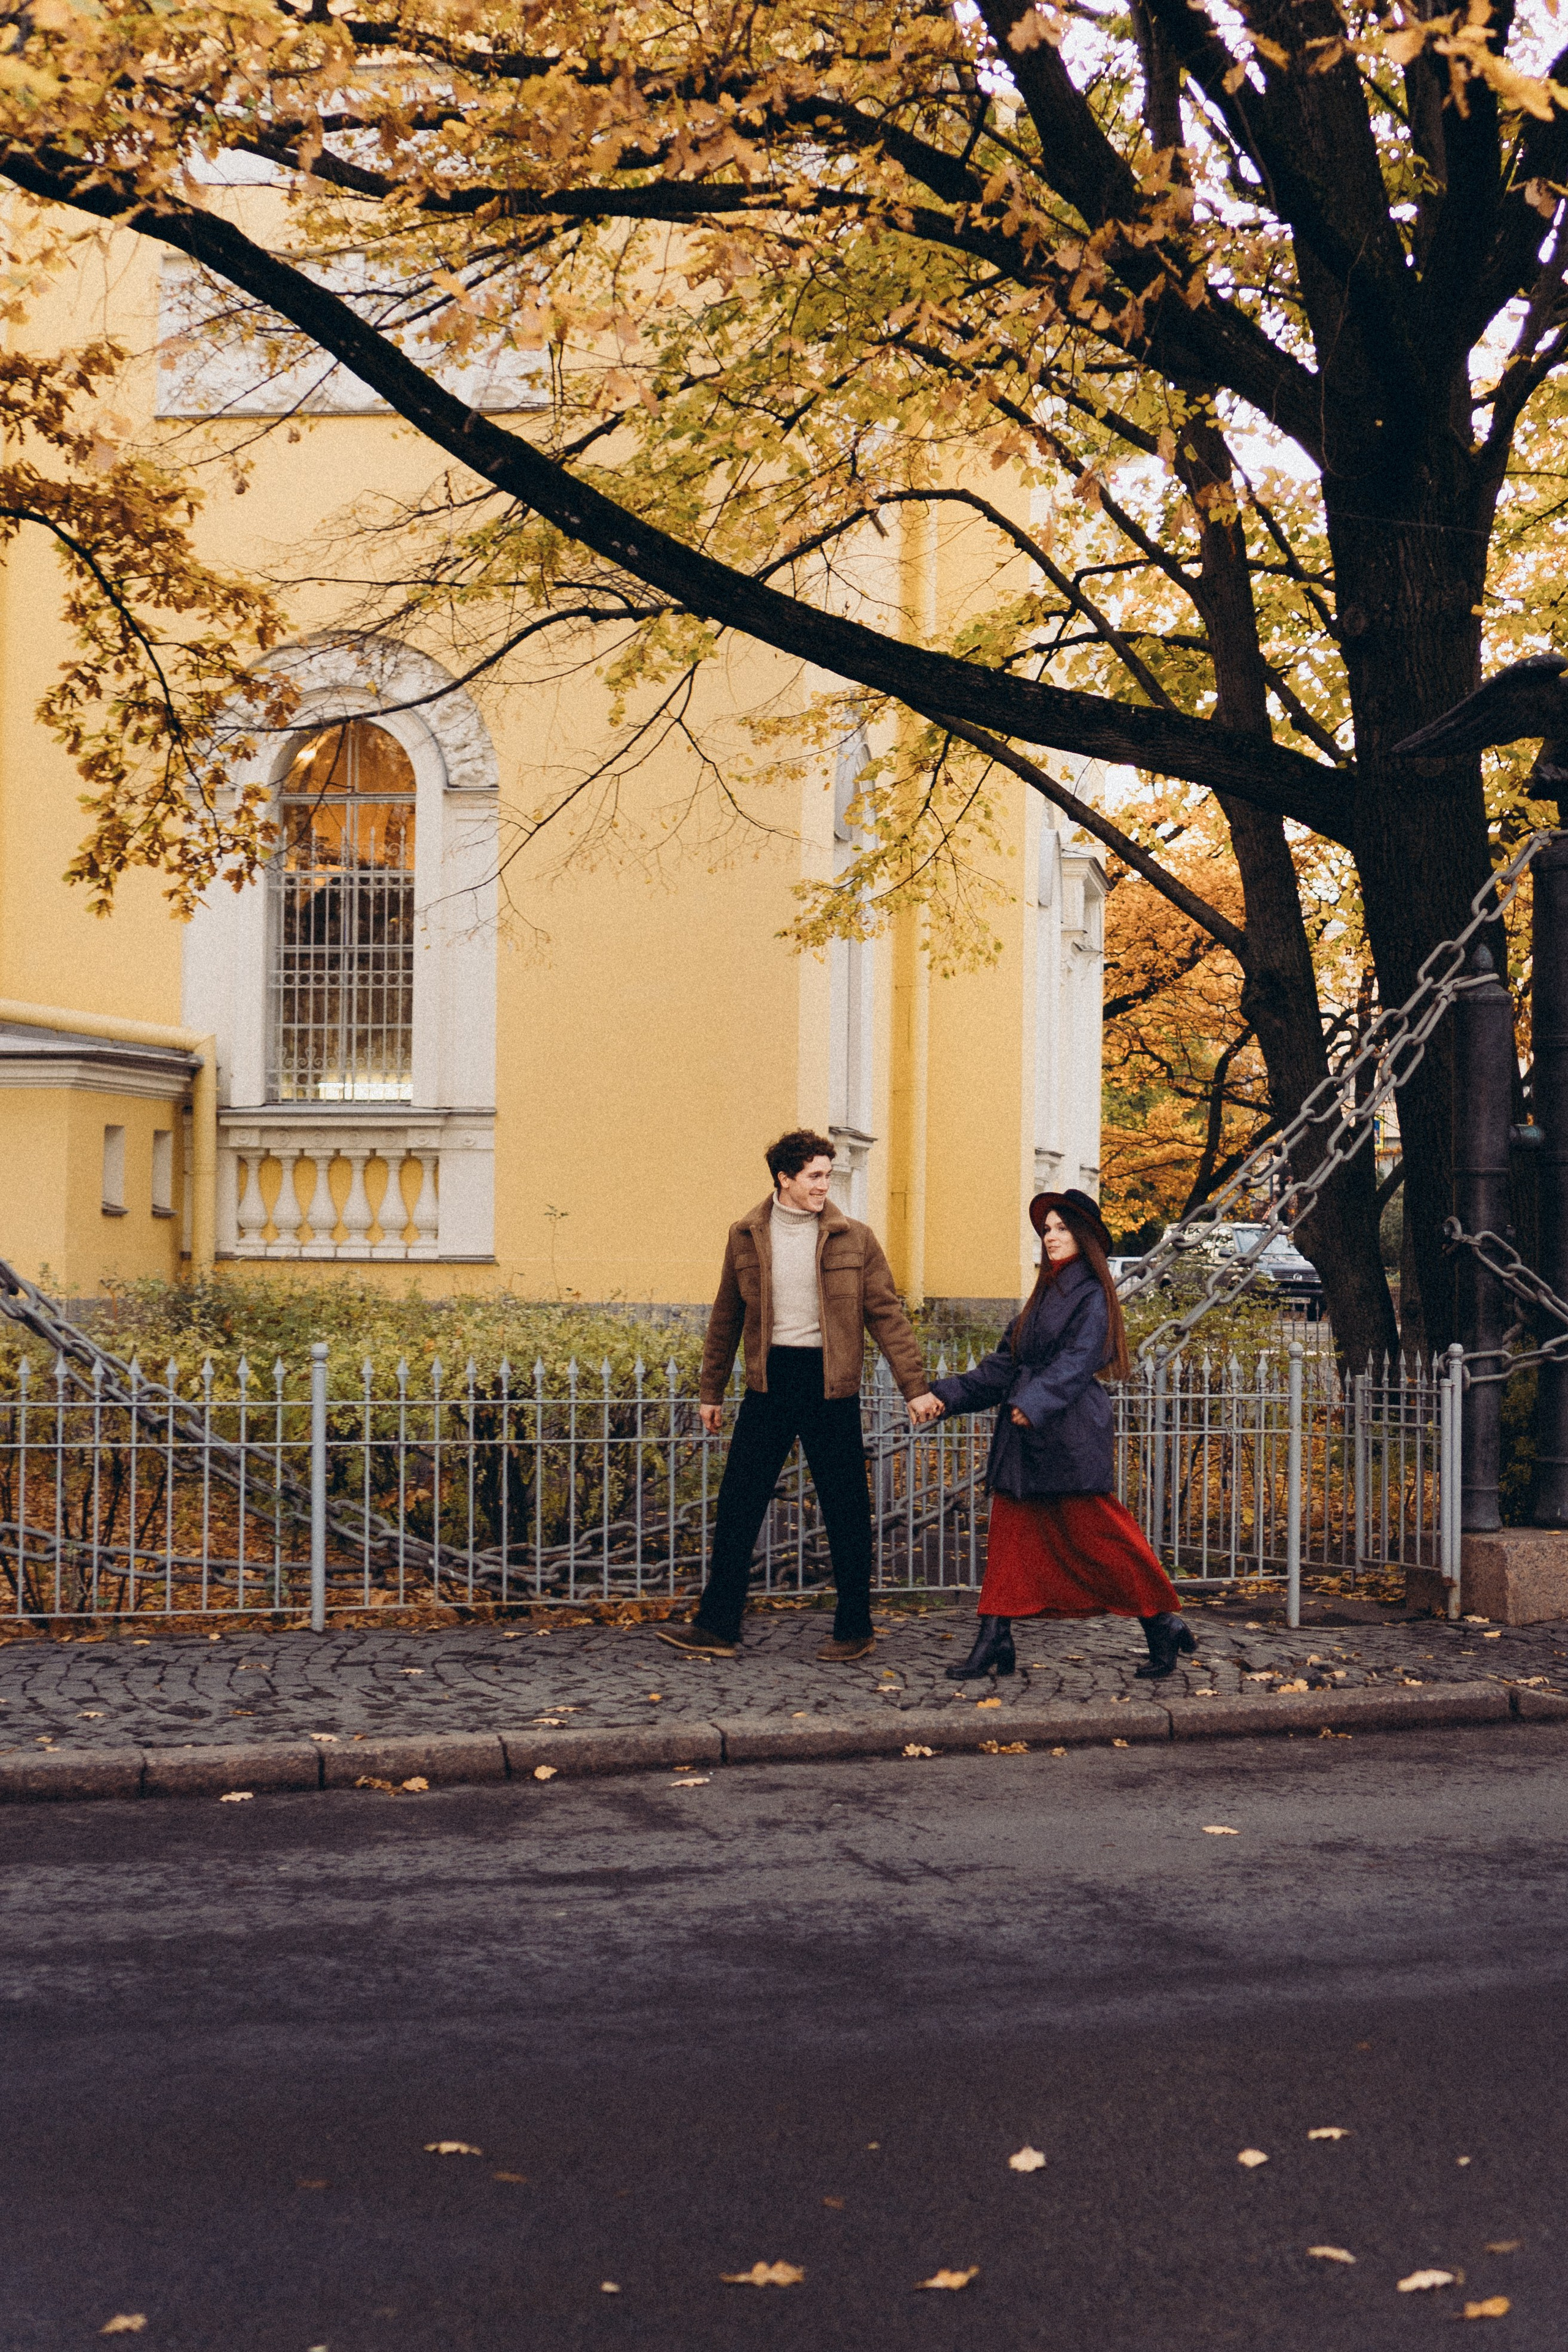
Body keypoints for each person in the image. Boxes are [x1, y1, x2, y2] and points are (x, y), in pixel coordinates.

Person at [658, 1129, 944, 1664]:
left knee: (845, 1507)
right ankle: (718, 1625)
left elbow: (887, 1316)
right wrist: (710, 1390)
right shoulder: (745, 1235)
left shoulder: (854, 1238)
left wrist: (915, 1388)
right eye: (814, 1175)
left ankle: (855, 1627)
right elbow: (726, 1316)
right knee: (740, 1502)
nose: (824, 1185)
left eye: (827, 1176)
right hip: (769, 1383)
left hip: (830, 1384)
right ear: (784, 1179)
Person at [928, 1188, 1194, 1681]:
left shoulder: (1092, 1293)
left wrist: (1034, 1403)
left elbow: (1080, 1360)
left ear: (1085, 1236)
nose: (1050, 1237)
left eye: (1061, 1228)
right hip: (1024, 1436)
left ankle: (1161, 1622)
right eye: (1047, 1229)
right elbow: (1003, 1365)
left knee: (1101, 1538)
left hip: (1067, 1433)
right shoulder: (1045, 1292)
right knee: (1009, 1539)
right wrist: (944, 1396)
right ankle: (994, 1639)